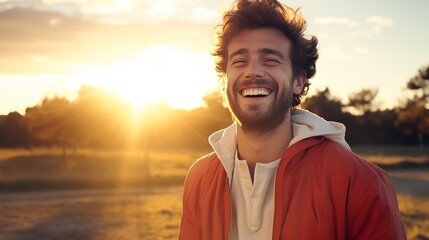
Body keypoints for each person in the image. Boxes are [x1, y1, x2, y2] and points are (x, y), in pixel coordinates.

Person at [178, 0, 406, 239]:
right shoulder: (200, 178)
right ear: (224, 81)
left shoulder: (359, 181)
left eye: (271, 60)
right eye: (239, 61)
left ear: (298, 81)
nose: (253, 71)